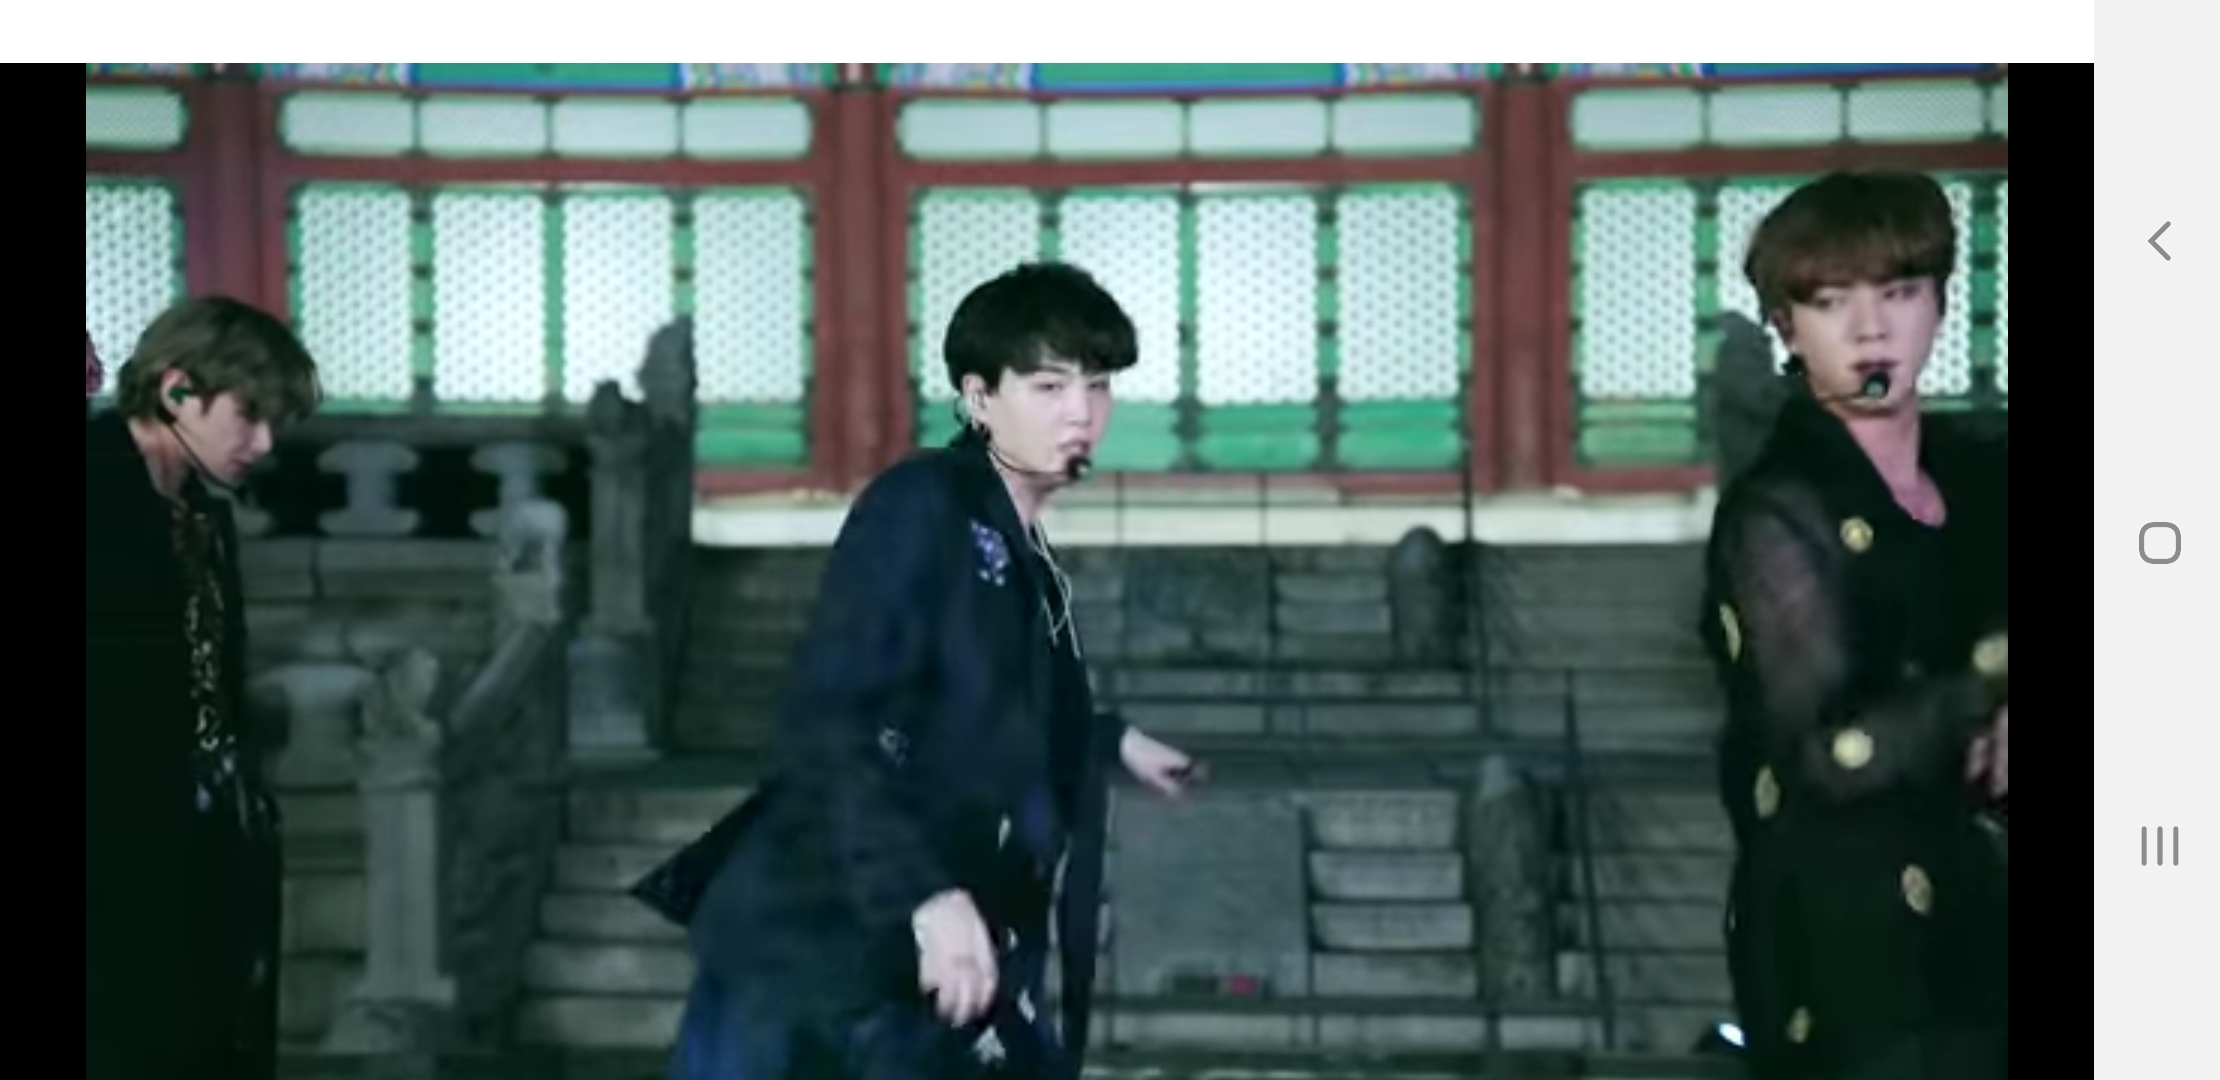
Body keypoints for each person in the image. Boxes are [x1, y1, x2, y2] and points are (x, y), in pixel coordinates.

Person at [634, 261, 1201, 1080]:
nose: (1081, 412)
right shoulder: (923, 505)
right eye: (1048, 386)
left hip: (933, 955)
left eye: (1099, 385)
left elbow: (984, 703)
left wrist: (1107, 739)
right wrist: (925, 897)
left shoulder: (1024, 552)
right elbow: (827, 721)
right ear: (979, 398)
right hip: (822, 942)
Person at [1696, 172, 2008, 1080]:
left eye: (1900, 293)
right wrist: (1990, 684)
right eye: (1832, 302)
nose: (1872, 329)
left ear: (1939, 304)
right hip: (1845, 932)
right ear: (1787, 328)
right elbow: (1829, 756)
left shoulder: (1981, 472)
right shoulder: (1777, 510)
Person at [86, 296, 322, 1080]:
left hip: (205, 842)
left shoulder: (200, 516)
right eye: (249, 416)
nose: (264, 443)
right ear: (178, 390)